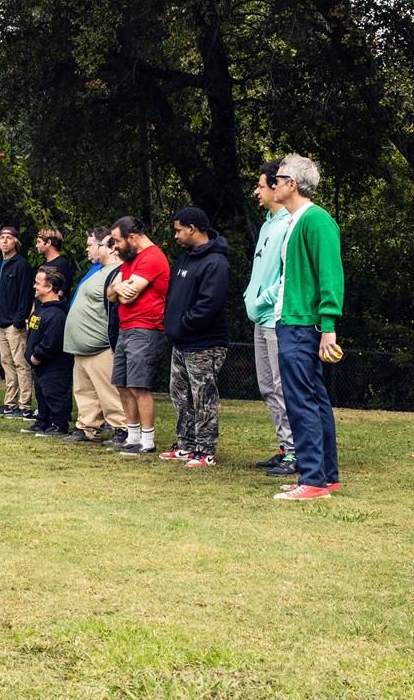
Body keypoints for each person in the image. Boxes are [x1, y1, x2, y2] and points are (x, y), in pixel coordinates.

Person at [270, 154, 345, 501]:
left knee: (302, 402)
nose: (274, 181)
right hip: (295, 321)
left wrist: (327, 325)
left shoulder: (316, 221)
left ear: (292, 184)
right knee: (313, 400)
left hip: (303, 324)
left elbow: (330, 275)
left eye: (279, 176)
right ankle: (325, 477)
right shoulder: (295, 221)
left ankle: (313, 480)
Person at [160, 207, 230, 467]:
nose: (176, 235)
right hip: (181, 341)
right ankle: (186, 445)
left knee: (203, 397)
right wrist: (173, 325)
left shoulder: (216, 262)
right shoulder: (185, 259)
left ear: (192, 228)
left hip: (205, 343)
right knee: (179, 394)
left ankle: (206, 450)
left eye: (178, 230)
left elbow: (208, 306)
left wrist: (183, 325)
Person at [244, 160, 296, 476]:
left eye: (261, 185)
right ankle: (284, 447)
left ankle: (296, 452)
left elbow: (286, 276)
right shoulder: (267, 224)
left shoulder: (291, 223)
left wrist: (263, 299)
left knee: (282, 386)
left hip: (276, 318)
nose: (257, 191)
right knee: (267, 387)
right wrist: (250, 298)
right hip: (258, 318)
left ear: (277, 186)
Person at [107, 217, 170, 455]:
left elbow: (127, 296)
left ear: (132, 238)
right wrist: (116, 288)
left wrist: (118, 290)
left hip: (145, 329)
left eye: (117, 241)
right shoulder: (130, 260)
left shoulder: (152, 258)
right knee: (122, 384)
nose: (116, 246)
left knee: (138, 385)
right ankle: (132, 435)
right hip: (126, 328)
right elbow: (111, 294)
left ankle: (147, 440)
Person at [64, 228, 126, 442]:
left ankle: (122, 428)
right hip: (81, 346)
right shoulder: (98, 271)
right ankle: (87, 426)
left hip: (100, 345)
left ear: (105, 246)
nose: (87, 248)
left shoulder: (119, 270)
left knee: (109, 391)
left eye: (90, 244)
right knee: (84, 391)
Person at [0, 226, 35, 418]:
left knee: (20, 364)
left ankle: (24, 405)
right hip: (0, 320)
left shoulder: (21, 265)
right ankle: (10, 403)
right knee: (6, 362)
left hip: (14, 322)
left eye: (9, 238)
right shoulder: (0, 263)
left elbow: (26, 294)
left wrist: (20, 319)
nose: (5, 241)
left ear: (16, 242)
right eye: (2, 238)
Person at [26, 267, 73, 437]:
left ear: (49, 287)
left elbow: (51, 341)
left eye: (38, 283)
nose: (34, 286)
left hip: (53, 365)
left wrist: (37, 355)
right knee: (42, 393)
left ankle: (59, 424)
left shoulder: (56, 314)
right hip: (39, 367)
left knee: (54, 393)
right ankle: (43, 420)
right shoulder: (41, 308)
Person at [35, 228, 74, 297]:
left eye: (39, 242)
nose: (36, 245)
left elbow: (59, 295)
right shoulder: (47, 264)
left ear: (48, 243)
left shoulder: (61, 264)